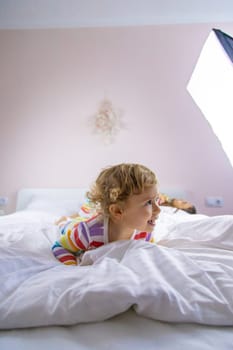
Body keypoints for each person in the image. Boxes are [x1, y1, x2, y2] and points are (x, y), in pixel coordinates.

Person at [52, 163, 161, 265]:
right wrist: (72, 266)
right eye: (149, 202)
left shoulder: (144, 233)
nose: (159, 209)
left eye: (157, 199)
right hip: (77, 225)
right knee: (70, 223)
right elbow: (59, 247)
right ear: (117, 211)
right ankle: (66, 219)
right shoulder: (87, 233)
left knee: (89, 212)